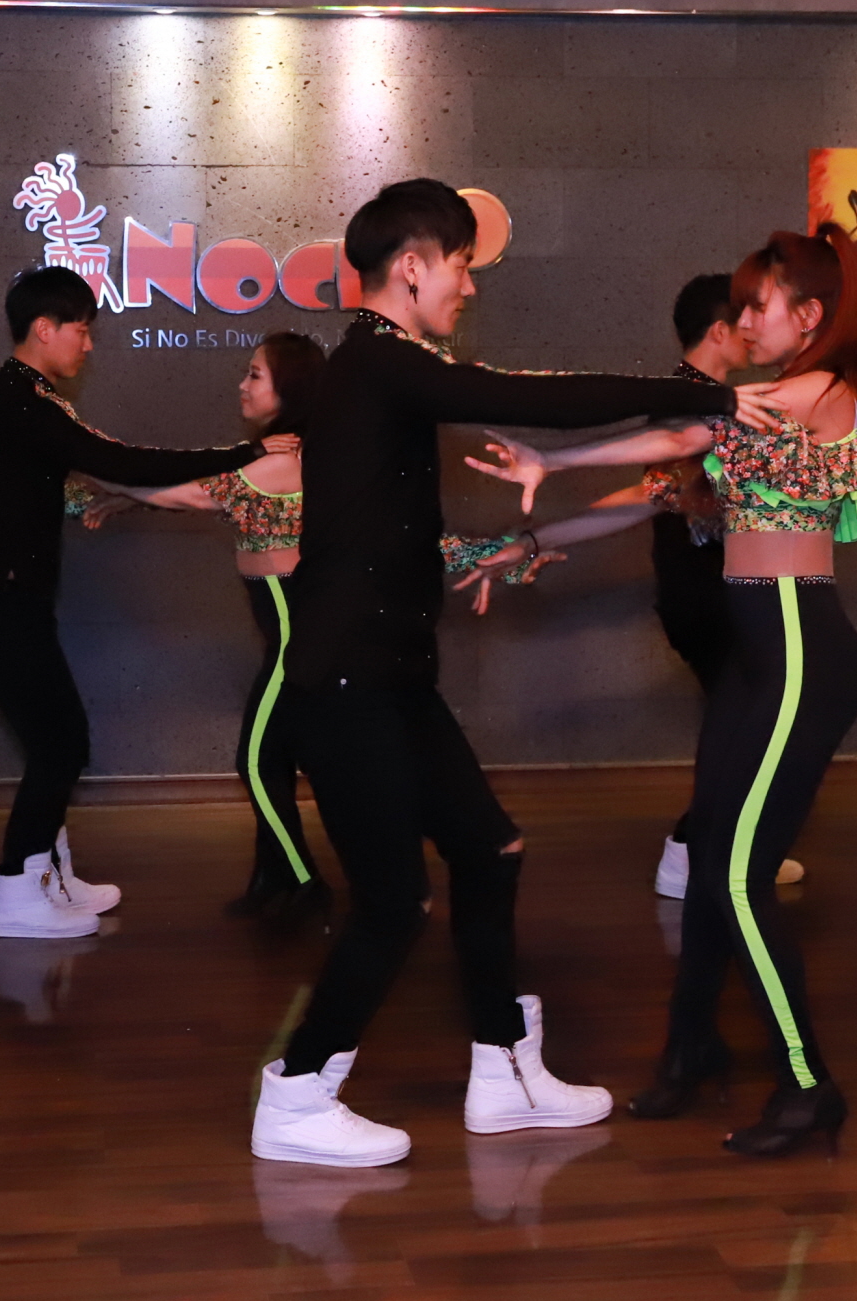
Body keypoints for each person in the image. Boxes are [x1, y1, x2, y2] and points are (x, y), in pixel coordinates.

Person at [246, 179, 726, 1170]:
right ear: (410, 267)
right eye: (460, 265)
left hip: (391, 679)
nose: (468, 285)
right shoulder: (379, 362)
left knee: (489, 850)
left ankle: (503, 1070)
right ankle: (295, 1093)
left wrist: (483, 555)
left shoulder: (379, 371)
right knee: (392, 903)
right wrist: (704, 395)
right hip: (346, 684)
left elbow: (378, 528)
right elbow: (529, 398)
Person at [474, 225, 857, 1158]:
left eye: (757, 305)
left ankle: (808, 1085)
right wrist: (531, 535)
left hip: (800, 651)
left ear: (809, 315)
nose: (743, 321)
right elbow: (652, 487)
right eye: (738, 306)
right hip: (754, 660)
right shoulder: (762, 412)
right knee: (712, 864)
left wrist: (558, 454)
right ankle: (692, 1046)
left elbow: (685, 429)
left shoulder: (819, 391)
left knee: (740, 877)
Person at [0, 266, 280, 939]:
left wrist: (139, 493)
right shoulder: (23, 401)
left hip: (6, 602)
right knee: (60, 742)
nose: (89, 344)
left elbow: (106, 474)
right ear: (45, 329)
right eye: (82, 330)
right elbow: (122, 462)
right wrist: (246, 454)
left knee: (56, 740)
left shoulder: (29, 397)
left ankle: (49, 874)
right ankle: (16, 891)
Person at [456, 273, 805, 900]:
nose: (755, 329)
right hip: (711, 598)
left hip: (712, 595)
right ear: (720, 330)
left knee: (744, 730)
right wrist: (536, 526)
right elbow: (650, 493)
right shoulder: (692, 406)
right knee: (749, 733)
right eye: (746, 317)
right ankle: (692, 853)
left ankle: (724, 854)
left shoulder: (708, 399)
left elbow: (651, 495)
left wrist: (532, 539)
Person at [74, 332, 336, 923]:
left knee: (256, 763)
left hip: (294, 642)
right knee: (271, 762)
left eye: (255, 375)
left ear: (289, 389)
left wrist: (108, 477)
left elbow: (195, 496)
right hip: (290, 637)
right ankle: (272, 878)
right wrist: (132, 499)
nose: (242, 386)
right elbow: (213, 491)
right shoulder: (282, 459)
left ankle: (305, 882)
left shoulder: (280, 463)